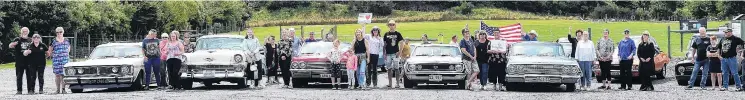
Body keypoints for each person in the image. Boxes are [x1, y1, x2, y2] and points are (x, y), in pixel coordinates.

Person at [9, 27, 32, 94]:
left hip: (29, 61)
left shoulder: (30, 40)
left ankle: (30, 90)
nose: (25, 32)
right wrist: (13, 44)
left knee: (29, 76)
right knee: (19, 76)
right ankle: (19, 90)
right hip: (19, 61)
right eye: (23, 31)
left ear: (28, 32)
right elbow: (10, 46)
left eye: (26, 31)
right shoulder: (17, 39)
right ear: (21, 32)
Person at [49, 27, 71, 94]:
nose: (59, 33)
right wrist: (55, 55)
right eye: (57, 32)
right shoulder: (53, 41)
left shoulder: (67, 40)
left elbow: (69, 49)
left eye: (60, 32)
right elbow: (50, 50)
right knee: (57, 75)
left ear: (63, 32)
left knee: (64, 75)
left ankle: (63, 89)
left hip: (65, 60)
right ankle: (58, 89)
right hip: (57, 60)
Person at [383, 20, 404, 88]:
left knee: (397, 68)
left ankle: (397, 83)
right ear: (388, 26)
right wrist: (384, 53)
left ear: (395, 25)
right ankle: (390, 83)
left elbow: (401, 43)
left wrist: (400, 52)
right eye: (390, 24)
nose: (391, 26)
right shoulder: (386, 34)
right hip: (388, 53)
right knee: (389, 69)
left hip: (395, 53)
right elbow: (384, 45)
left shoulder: (398, 34)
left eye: (393, 24)